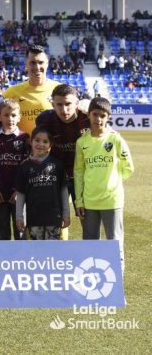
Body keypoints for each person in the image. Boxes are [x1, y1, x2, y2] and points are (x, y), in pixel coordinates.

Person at [74, 97, 134, 270]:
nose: (98, 119)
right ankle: (93, 284)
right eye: (95, 114)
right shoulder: (82, 142)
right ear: (89, 115)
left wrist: (113, 181)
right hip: (89, 202)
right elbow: (79, 172)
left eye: (102, 115)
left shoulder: (116, 140)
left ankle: (117, 291)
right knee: (90, 246)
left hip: (112, 201)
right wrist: (79, 200)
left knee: (114, 244)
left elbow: (128, 167)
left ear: (108, 117)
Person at [35, 84, 89, 240]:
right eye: (59, 104)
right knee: (56, 220)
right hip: (56, 177)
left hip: (84, 177)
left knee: (88, 220)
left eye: (68, 104)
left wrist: (91, 106)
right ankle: (57, 257)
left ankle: (91, 255)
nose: (64, 110)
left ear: (77, 103)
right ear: (52, 104)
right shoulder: (45, 119)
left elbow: (105, 130)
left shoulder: (87, 117)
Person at [15, 127, 70, 240]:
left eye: (45, 141)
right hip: (34, 219)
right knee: (36, 252)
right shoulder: (24, 166)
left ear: (50, 145)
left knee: (52, 251)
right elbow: (21, 194)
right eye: (37, 140)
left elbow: (63, 191)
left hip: (54, 218)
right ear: (31, 141)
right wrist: (19, 217)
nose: (41, 144)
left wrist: (66, 213)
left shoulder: (57, 165)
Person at [0, 99, 30, 240]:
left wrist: (20, 190)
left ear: (19, 117)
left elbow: (26, 167)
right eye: (6, 115)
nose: (10, 119)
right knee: (2, 230)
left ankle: (21, 259)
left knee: (21, 229)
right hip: (0, 193)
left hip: (18, 193)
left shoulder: (24, 138)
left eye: (13, 115)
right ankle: (4, 259)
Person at [3, 45, 61, 135]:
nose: (37, 67)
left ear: (47, 63)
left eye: (41, 62)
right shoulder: (11, 93)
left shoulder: (59, 89)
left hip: (51, 148)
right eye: (33, 63)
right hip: (22, 147)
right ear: (26, 64)